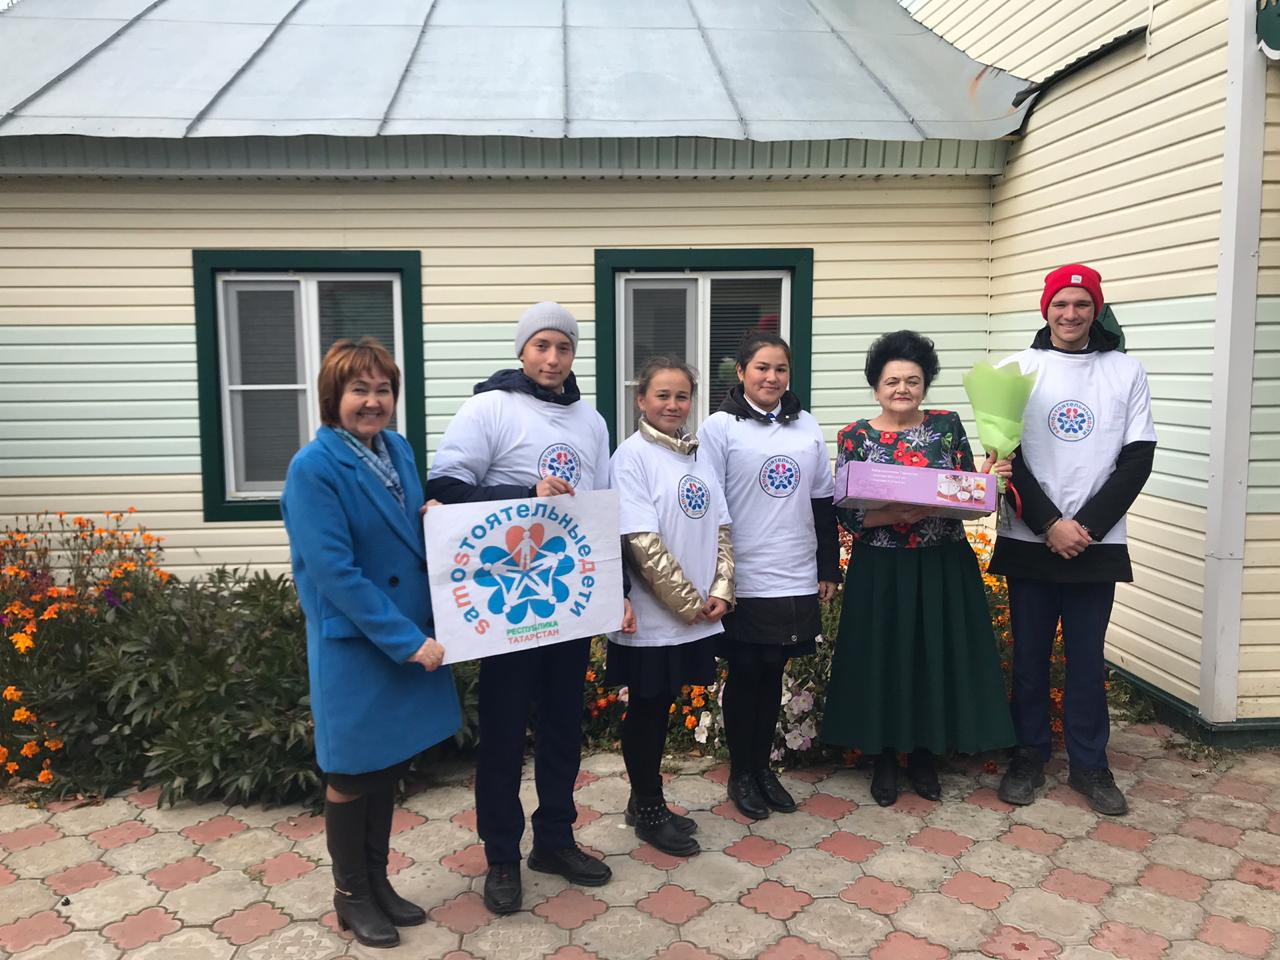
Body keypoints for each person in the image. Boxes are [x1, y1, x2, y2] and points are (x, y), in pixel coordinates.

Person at [425, 302, 635, 914]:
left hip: (567, 599)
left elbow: (601, 510)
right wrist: (527, 493)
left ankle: (555, 840)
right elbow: (445, 489)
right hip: (505, 607)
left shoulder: (591, 421)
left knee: (564, 727)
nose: (552, 357)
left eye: (563, 347)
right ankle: (500, 856)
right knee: (503, 732)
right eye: (542, 345)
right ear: (522, 350)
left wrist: (616, 588)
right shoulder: (489, 409)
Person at [281, 338, 460, 949]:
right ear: (334, 395)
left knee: (386, 766)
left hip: (404, 632)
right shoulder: (313, 468)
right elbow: (335, 572)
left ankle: (378, 883)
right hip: (359, 644)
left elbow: (402, 533)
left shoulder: (398, 449)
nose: (373, 401)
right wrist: (408, 641)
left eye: (383, 389)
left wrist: (431, 517)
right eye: (359, 389)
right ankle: (351, 895)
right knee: (351, 772)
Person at [820, 331, 1015, 806]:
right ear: (876, 388)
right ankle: (884, 756)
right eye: (892, 381)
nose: (902, 389)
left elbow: (967, 498)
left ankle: (925, 753)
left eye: (913, 380)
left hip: (940, 562)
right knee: (882, 659)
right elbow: (845, 512)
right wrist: (893, 515)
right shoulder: (854, 436)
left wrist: (988, 482)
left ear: (925, 385)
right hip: (880, 567)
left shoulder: (947, 426)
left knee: (933, 656)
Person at [992, 264, 1156, 816]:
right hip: (1029, 537)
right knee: (1030, 658)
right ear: (1046, 309)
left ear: (1096, 310)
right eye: (1060, 303)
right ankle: (1028, 756)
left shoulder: (1126, 371)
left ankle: (1090, 764)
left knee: (1086, 659)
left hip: (1095, 543)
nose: (1070, 314)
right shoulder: (1016, 368)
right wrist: (1048, 524)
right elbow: (1005, 455)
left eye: (1082, 304)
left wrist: (1084, 527)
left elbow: (1137, 457)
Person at [698, 331, 840, 820]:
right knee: (745, 673)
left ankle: (763, 769)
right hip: (743, 574)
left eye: (780, 369)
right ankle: (741, 773)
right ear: (741, 372)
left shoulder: (806, 426)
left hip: (794, 571)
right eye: (761, 367)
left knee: (774, 673)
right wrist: (714, 575)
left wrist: (827, 566)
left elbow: (822, 501)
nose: (772, 377)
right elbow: (707, 506)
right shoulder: (719, 428)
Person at [608, 357, 734, 857]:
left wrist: (722, 587)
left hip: (696, 613)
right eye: (662, 395)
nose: (673, 404)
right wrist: (688, 603)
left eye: (682, 396)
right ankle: (649, 808)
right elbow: (640, 542)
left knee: (661, 707)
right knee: (646, 708)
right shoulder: (631, 457)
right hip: (654, 618)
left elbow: (721, 527)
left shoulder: (697, 455)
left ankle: (643, 800)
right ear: (641, 399)